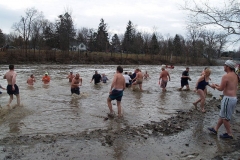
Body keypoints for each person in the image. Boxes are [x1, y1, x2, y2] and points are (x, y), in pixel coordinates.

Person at [208, 60, 238, 139]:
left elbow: (221, 89)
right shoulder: (235, 75)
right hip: (233, 98)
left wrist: (215, 86)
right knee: (222, 115)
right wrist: (218, 85)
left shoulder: (226, 76)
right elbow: (229, 86)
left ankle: (229, 134)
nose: (223, 67)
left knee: (225, 118)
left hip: (228, 99)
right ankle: (215, 129)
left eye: (224, 65)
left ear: (228, 67)